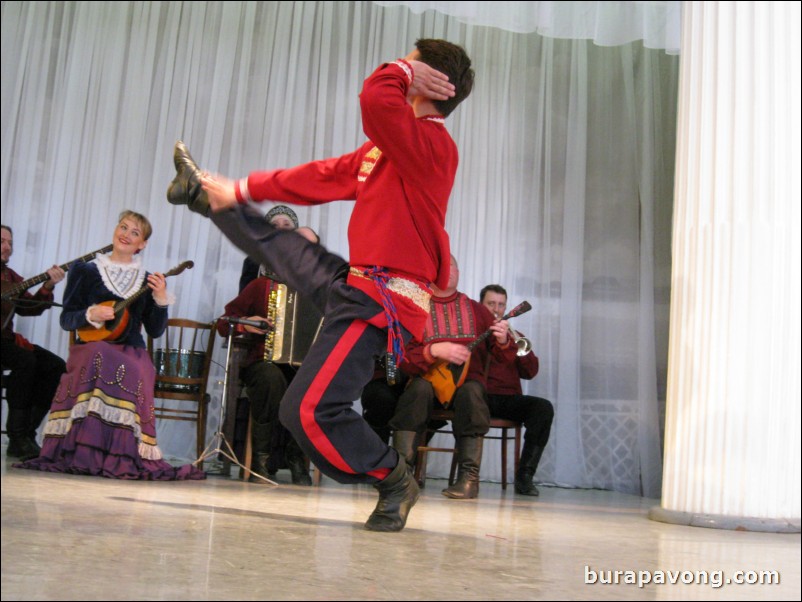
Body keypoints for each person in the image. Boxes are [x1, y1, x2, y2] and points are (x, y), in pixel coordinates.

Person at [167, 39, 474, 531]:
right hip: (360, 281)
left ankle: (393, 477)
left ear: (428, 78)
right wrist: (243, 188)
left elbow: (376, 100)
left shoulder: (433, 145)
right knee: (280, 246)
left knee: (308, 409)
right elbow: (325, 177)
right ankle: (209, 195)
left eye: (408, 58)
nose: (399, 63)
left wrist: (398, 71)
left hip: (384, 298)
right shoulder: (392, 147)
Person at [16, 211, 205, 480]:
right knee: (99, 353)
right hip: (91, 347)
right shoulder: (85, 271)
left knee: (140, 368)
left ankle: (122, 454)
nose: (126, 235)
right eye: (123, 227)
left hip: (131, 349)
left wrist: (160, 298)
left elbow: (155, 330)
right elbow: (67, 319)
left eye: (135, 233)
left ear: (143, 244)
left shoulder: (147, 279)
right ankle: (84, 451)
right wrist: (89, 315)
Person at [389, 255, 516, 499]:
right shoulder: (416, 308)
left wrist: (502, 340)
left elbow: (503, 360)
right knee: (417, 391)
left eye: (453, 267)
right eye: (443, 267)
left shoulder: (477, 310)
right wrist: (433, 350)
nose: (450, 272)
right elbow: (400, 358)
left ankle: (468, 479)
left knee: (472, 392)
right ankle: (402, 476)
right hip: (426, 381)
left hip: (465, 387)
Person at [218, 265, 315, 486]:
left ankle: (296, 458)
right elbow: (225, 323)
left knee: (313, 386)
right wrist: (247, 325)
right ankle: (261, 460)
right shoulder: (261, 285)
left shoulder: (318, 293)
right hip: (263, 360)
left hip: (303, 366)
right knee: (270, 380)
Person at [480, 284, 554, 496]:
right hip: (478, 396)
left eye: (501, 305)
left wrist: (514, 342)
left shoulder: (516, 335)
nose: (496, 309)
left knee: (543, 408)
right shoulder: (472, 330)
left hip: (507, 399)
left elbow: (530, 372)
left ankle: (525, 477)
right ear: (480, 305)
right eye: (491, 303)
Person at [1, 225, 67, 460]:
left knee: (55, 366)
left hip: (5, 342)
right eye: (1, 241)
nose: (7, 247)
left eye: (10, 242)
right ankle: (17, 436)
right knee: (25, 360)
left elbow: (31, 309)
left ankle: (26, 435)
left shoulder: (11, 278)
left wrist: (48, 285)